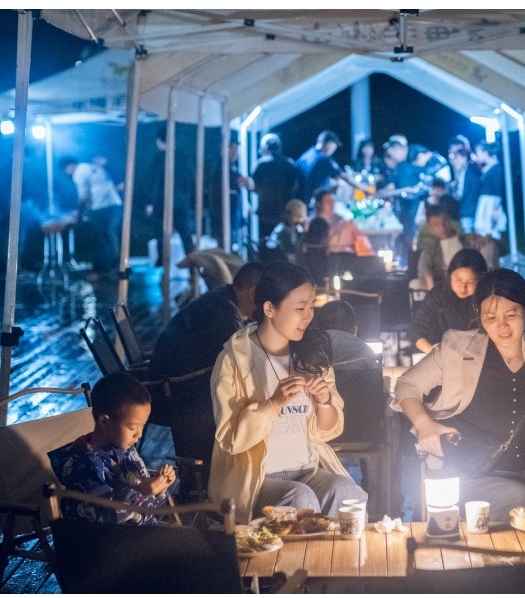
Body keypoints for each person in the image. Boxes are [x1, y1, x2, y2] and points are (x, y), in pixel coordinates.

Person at [392, 268, 525, 516]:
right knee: (520, 495)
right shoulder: (457, 347)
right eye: (491, 317)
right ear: (479, 315)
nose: (502, 326)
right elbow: (406, 384)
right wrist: (424, 424)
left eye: (511, 314)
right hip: (469, 469)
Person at [209, 261, 366, 521]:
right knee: (300, 499)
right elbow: (231, 438)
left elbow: (327, 431)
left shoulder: (311, 353)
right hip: (258, 479)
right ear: (269, 308)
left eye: (312, 307)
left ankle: (337, 561)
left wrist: (324, 401)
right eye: (300, 308)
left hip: (306, 469)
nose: (309, 317)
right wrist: (273, 404)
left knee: (344, 490)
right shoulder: (235, 360)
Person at [149, 262, 262, 468]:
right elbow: (237, 362)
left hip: (169, 383)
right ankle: (221, 474)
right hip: (174, 394)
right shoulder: (224, 315)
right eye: (266, 298)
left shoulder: (221, 301)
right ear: (253, 293)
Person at [49, 373, 177, 524]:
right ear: (104, 422)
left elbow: (150, 507)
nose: (139, 434)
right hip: (115, 543)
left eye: (143, 426)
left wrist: (159, 487)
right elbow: (110, 518)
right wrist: (144, 492)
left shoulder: (125, 448)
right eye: (132, 427)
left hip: (146, 531)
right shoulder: (85, 466)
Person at [410, 247, 487, 353]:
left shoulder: (486, 299)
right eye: (458, 280)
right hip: (440, 355)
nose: (463, 287)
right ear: (450, 275)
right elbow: (416, 328)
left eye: (470, 282)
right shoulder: (438, 293)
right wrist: (431, 350)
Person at [413, 200, 498, 292]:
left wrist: (486, 240)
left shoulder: (468, 239)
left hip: (471, 281)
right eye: (436, 224)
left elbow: (494, 247)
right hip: (446, 286)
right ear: (430, 227)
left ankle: (489, 289)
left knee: (490, 247)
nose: (442, 227)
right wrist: (434, 293)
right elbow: (425, 270)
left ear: (449, 220)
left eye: (444, 221)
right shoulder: (432, 249)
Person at [61, 155, 124, 276]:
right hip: (113, 204)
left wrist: (79, 216)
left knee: (101, 238)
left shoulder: (79, 173)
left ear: (70, 166)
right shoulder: (90, 167)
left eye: (66, 170)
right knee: (110, 235)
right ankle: (112, 267)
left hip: (102, 207)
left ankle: (104, 270)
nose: (67, 173)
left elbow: (83, 197)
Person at [252, 134, 301, 246]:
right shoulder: (289, 164)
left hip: (265, 214)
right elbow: (295, 188)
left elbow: (254, 187)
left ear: (265, 148)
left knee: (264, 245)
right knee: (283, 247)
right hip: (285, 214)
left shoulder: (260, 165)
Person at [467, 141, 507, 241]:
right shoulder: (488, 168)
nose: (477, 155)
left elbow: (497, 190)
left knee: (491, 229)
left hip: (491, 202)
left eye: (479, 152)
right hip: (485, 201)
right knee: (483, 230)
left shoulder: (496, 168)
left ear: (486, 152)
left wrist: (495, 208)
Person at [313, 189, 371, 257]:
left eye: (333, 202)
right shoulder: (315, 224)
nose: (332, 205)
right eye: (328, 202)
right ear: (319, 204)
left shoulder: (338, 219)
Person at [297, 131, 343, 203]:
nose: (333, 151)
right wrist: (362, 188)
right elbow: (342, 176)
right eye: (333, 148)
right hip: (315, 202)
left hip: (301, 200)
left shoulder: (306, 156)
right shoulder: (323, 157)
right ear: (326, 143)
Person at [262, 198, 309, 265]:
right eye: (296, 216)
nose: (298, 220)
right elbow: (271, 247)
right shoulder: (280, 229)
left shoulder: (299, 230)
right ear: (288, 214)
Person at [446, 136, 472, 216]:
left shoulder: (471, 170)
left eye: (459, 152)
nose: (453, 157)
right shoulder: (457, 171)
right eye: (452, 153)